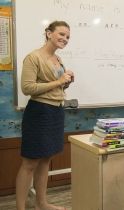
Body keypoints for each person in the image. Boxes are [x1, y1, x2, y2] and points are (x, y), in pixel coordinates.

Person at [16, 20, 74, 210]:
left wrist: (66, 82)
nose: (65, 39)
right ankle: (20, 207)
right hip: (39, 113)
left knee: (46, 159)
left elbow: (55, 85)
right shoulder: (33, 57)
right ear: (49, 33)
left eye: (67, 37)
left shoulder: (58, 59)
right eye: (61, 34)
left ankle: (42, 203)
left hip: (56, 112)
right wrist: (58, 82)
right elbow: (27, 88)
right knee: (30, 162)